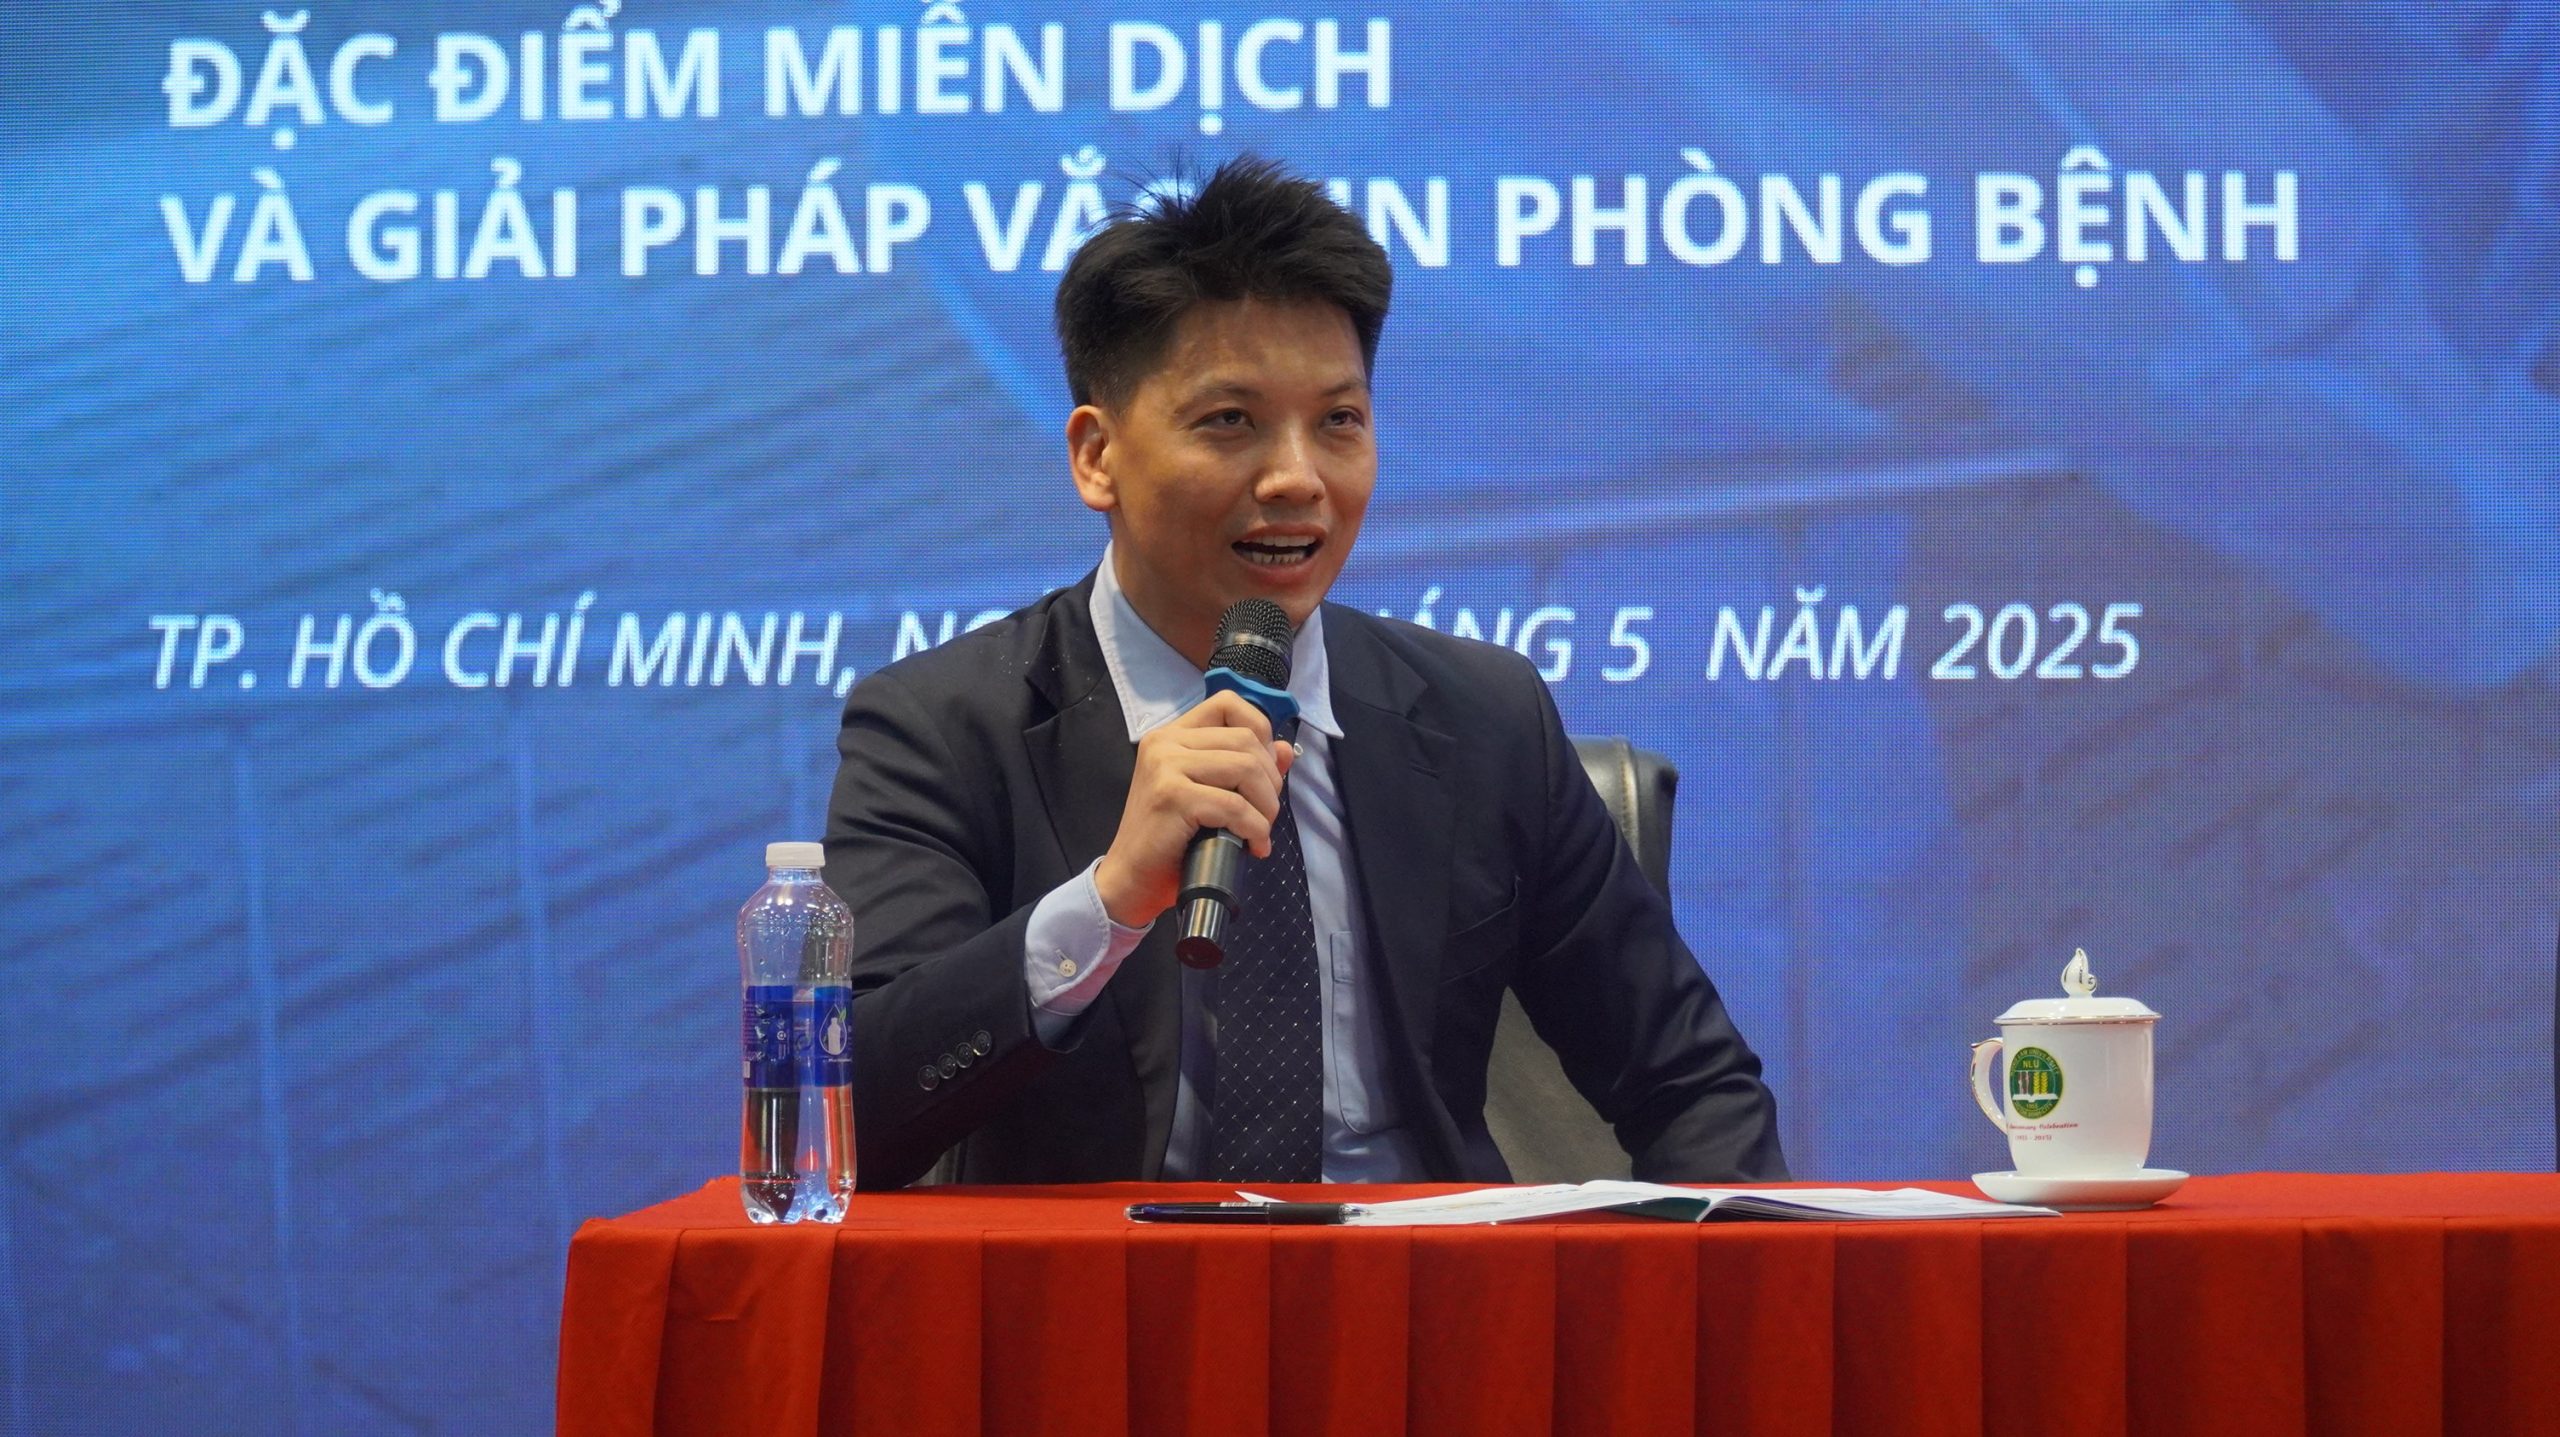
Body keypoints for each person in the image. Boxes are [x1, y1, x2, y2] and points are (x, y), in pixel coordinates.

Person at [824, 156, 1785, 1188]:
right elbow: (849, 1114)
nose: (1297, 478)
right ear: (1097, 455)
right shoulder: (939, 728)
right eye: (1229, 421)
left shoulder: (1485, 719)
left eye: (1339, 422)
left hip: (1426, 1277)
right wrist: (1109, 900)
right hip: (1108, 1283)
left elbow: (1692, 1085)